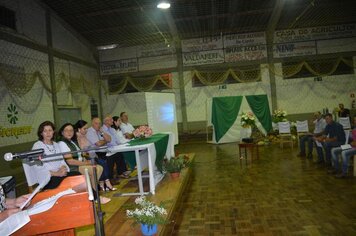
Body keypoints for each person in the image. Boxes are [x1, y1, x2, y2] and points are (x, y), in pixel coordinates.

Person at [57, 123, 110, 204]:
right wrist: (86, 163)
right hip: (73, 167)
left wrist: (88, 159)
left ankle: (94, 194)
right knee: (94, 169)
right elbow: (70, 161)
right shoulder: (62, 143)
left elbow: (81, 154)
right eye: (66, 130)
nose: (69, 132)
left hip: (80, 164)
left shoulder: (72, 142)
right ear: (62, 132)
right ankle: (95, 196)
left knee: (99, 168)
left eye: (71, 130)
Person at [32, 121, 80, 190]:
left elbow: (62, 161)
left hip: (60, 174)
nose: (48, 133)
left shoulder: (55, 144)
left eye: (50, 130)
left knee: (78, 175)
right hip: (48, 178)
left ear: (53, 132)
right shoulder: (37, 146)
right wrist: (56, 173)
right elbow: (38, 168)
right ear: (41, 133)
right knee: (70, 184)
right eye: (45, 131)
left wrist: (63, 168)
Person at [86, 117, 117, 190]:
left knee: (114, 155)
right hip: (94, 153)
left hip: (103, 152)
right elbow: (98, 144)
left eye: (99, 123)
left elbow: (109, 139)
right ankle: (107, 181)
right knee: (104, 161)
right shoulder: (90, 131)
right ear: (92, 124)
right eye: (96, 123)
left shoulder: (100, 130)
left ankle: (104, 182)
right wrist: (105, 141)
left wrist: (102, 133)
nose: (98, 125)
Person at [102, 115, 129, 180]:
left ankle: (121, 172)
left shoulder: (112, 129)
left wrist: (123, 144)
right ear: (106, 121)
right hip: (108, 149)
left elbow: (117, 140)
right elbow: (105, 141)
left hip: (115, 148)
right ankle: (110, 178)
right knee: (112, 156)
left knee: (120, 153)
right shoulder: (102, 130)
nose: (112, 121)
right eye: (111, 119)